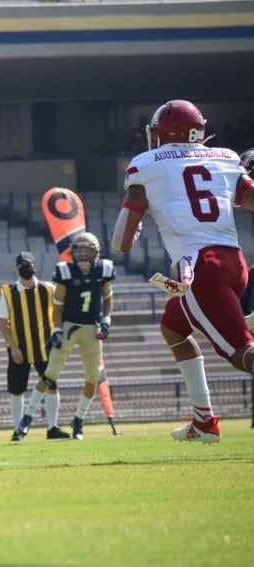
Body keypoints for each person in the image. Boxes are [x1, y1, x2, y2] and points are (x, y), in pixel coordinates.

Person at [111, 100, 254, 444]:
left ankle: (205, 423)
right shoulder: (224, 158)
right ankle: (204, 421)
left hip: (201, 267)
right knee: (173, 327)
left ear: (165, 133)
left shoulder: (147, 164)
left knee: (241, 353)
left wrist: (134, 229)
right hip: (235, 263)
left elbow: (120, 244)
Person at [15, 232, 115, 441]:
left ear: (95, 251)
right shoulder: (65, 271)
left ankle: (78, 420)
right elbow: (58, 306)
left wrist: (106, 321)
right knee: (50, 374)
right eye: (78, 250)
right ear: (73, 252)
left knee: (92, 378)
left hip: (91, 328)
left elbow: (108, 297)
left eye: (86, 249)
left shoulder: (103, 269)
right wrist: (57, 330)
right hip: (69, 326)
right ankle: (27, 417)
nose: (82, 254)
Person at [0, 252, 69, 441]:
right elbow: (2, 322)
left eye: (27, 263)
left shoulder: (49, 289)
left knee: (51, 387)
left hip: (45, 347)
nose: (25, 267)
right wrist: (13, 347)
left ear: (35, 266)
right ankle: (18, 430)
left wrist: (57, 333)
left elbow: (59, 311)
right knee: (16, 390)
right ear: (17, 268)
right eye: (21, 264)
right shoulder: (8, 292)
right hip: (19, 348)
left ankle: (52, 427)